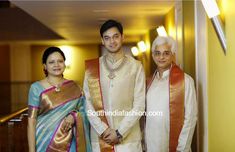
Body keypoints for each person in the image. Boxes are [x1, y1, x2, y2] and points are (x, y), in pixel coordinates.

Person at [83, 19, 145, 152]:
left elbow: (139, 105)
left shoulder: (136, 67)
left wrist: (119, 132)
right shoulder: (92, 68)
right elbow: (87, 103)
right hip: (101, 139)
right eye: (107, 38)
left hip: (128, 141)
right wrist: (103, 130)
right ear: (102, 41)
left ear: (123, 37)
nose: (112, 41)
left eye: (116, 36)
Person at [27, 47, 92, 152]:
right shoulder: (36, 88)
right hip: (44, 142)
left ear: (64, 64)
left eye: (60, 61)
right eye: (51, 62)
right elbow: (32, 122)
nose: (56, 65)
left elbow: (84, 111)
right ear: (45, 66)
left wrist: (74, 116)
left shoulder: (74, 87)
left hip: (70, 142)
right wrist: (31, 150)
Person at [145, 36, 198, 152]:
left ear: (173, 54)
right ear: (153, 55)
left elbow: (191, 117)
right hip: (151, 143)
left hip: (176, 146)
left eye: (166, 53)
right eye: (157, 53)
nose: (161, 57)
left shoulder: (185, 81)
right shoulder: (148, 82)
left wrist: (182, 148)